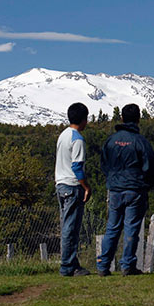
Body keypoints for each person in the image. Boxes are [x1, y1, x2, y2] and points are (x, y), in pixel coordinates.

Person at [97, 104, 154, 276]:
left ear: (121, 118)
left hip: (115, 189)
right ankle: (127, 265)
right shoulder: (140, 141)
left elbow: (104, 163)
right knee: (131, 228)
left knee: (112, 227)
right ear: (138, 119)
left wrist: (111, 179)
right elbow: (150, 166)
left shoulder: (111, 140)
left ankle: (103, 265)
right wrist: (147, 185)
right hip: (135, 189)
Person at [55, 102, 92, 277]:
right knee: (71, 227)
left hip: (60, 183)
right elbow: (77, 166)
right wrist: (85, 186)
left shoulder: (63, 135)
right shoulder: (77, 138)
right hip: (72, 185)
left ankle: (71, 261)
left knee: (66, 225)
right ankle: (67, 265)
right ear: (84, 119)